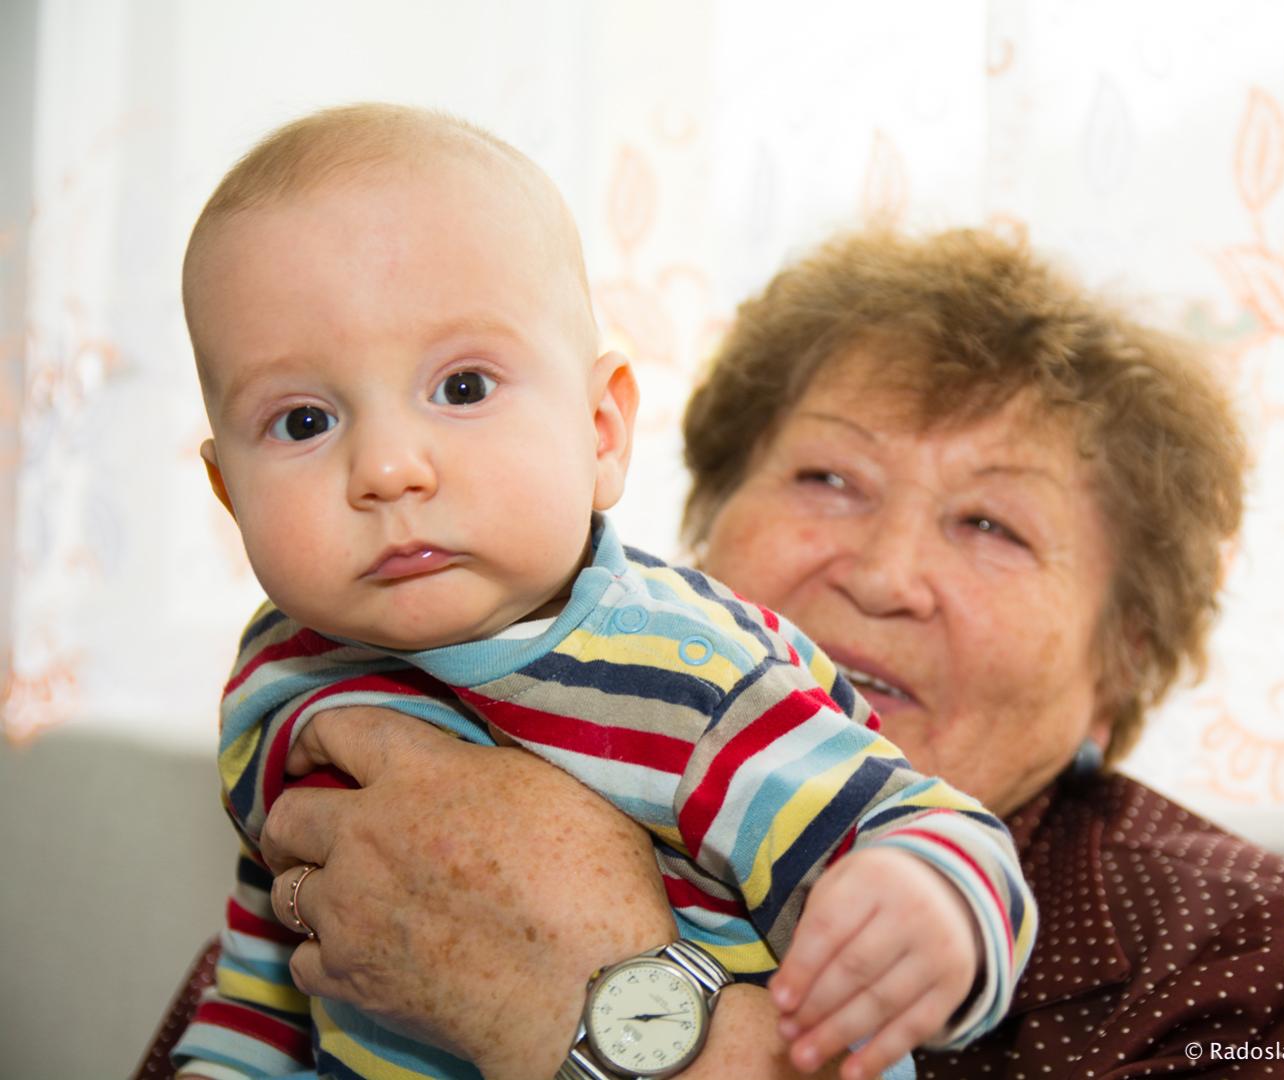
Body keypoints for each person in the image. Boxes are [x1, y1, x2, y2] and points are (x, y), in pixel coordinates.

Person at [224, 228, 1284, 1079]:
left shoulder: (1281, 983)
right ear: (696, 538)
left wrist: (593, 1004)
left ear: (1121, 666)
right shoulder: (402, 772)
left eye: (991, 525)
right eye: (826, 478)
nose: (880, 575)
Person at [171, 105, 1036, 1080]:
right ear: (230, 495)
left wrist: (930, 900)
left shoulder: (687, 675)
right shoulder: (281, 676)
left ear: (600, 431)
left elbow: (922, 826)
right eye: (303, 421)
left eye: (462, 388)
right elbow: (269, 972)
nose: (388, 467)